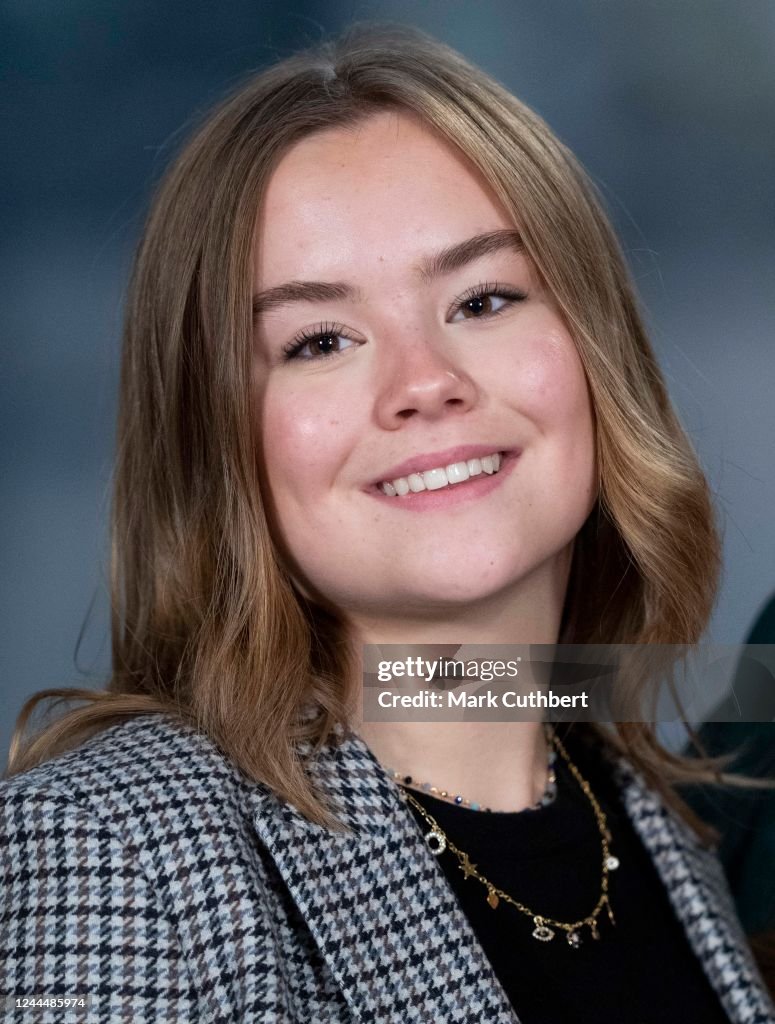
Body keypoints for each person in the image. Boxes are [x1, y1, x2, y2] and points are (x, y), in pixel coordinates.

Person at [1, 24, 772, 1024]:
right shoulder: (106, 849)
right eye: (319, 339)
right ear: (215, 439)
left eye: (483, 297)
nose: (425, 384)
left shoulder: (680, 823)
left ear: (595, 348)